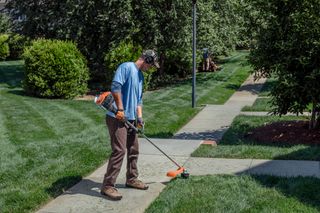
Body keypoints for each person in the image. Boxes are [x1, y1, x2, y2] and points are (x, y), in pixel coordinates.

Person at [100, 49, 159, 201]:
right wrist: (120, 109)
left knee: (134, 149)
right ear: (148, 60)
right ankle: (108, 185)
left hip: (131, 118)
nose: (150, 69)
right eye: (151, 66)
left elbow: (139, 100)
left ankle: (131, 179)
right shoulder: (126, 67)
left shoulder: (140, 76)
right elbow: (115, 87)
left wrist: (139, 117)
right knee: (119, 150)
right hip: (117, 117)